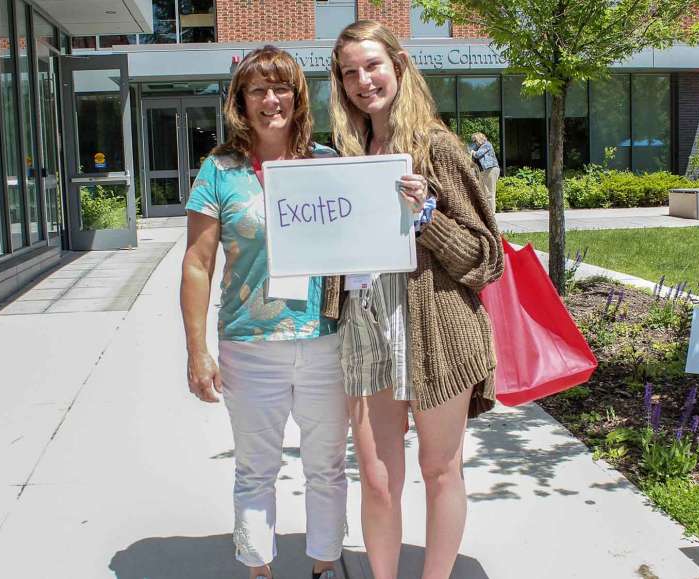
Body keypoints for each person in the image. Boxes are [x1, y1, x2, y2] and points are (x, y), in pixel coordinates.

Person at [326, 20, 504, 579]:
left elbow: (487, 257)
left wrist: (427, 220)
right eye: (350, 71)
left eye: (372, 65)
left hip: (434, 332)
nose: (363, 80)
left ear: (398, 66)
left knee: (439, 467)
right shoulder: (345, 156)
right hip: (368, 328)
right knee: (378, 477)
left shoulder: (439, 148)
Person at [180, 46, 346, 579]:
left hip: (325, 340)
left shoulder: (326, 164)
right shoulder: (220, 170)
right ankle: (259, 569)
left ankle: (323, 566)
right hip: (249, 345)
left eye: (281, 88)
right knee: (255, 472)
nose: (271, 99)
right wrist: (196, 351)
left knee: (327, 468)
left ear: (298, 98)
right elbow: (198, 264)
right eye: (258, 89)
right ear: (241, 101)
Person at [468, 132, 500, 207]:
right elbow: (472, 162)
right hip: (483, 171)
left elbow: (478, 154)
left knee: (489, 193)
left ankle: (491, 214)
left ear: (479, 139)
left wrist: (472, 152)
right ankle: (486, 213)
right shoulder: (477, 147)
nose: (474, 143)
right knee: (483, 193)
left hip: (490, 170)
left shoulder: (487, 144)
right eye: (473, 141)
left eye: (475, 140)